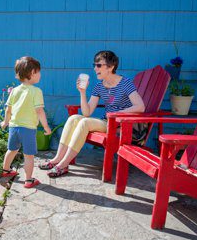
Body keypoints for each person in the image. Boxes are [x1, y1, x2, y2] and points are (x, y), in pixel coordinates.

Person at [39, 49, 144, 179]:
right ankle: (57, 159)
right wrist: (82, 92)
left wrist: (117, 113)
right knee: (73, 118)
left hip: (121, 126)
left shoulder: (125, 83)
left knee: (84, 122)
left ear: (111, 67)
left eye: (99, 65)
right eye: (94, 65)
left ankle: (63, 164)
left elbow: (140, 106)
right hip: (108, 123)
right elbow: (86, 112)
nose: (95, 68)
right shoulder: (99, 86)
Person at [0, 55, 53, 190]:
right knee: (29, 155)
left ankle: (6, 170)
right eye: (39, 72)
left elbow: (8, 110)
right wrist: (46, 127)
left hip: (14, 127)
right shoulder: (36, 91)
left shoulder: (15, 90)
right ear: (32, 73)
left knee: (11, 150)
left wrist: (5, 122)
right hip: (28, 129)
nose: (40, 74)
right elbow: (40, 111)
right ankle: (28, 180)